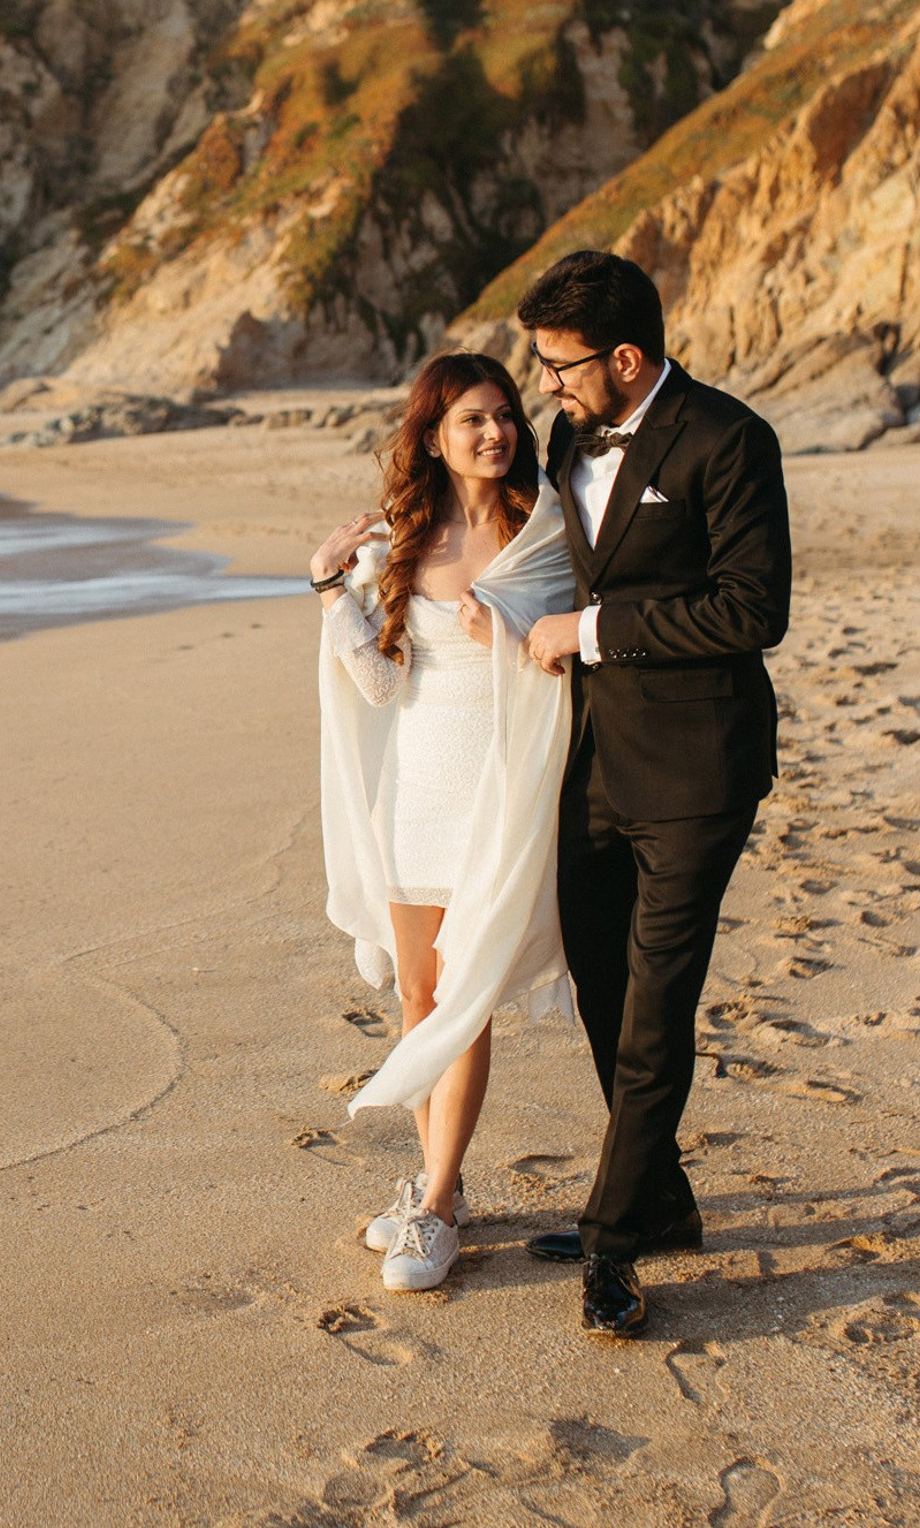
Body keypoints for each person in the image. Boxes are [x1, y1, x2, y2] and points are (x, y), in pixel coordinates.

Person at [516, 251, 792, 1338]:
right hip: (593, 763)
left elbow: (751, 611)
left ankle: (614, 1239)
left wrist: (589, 635)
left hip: (697, 770)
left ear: (625, 358)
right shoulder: (567, 435)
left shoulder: (730, 440)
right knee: (598, 981)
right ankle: (662, 1198)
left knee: (656, 1005)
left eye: (559, 363)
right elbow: (539, 555)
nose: (545, 382)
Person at [311, 350, 575, 1294]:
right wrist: (329, 589)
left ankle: (433, 1203)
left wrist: (503, 640)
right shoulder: (404, 542)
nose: (496, 432)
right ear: (433, 436)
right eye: (472, 419)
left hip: (497, 800)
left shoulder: (545, 532)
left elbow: (567, 666)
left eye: (505, 414)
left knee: (463, 1006)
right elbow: (384, 685)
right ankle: (444, 1196)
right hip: (416, 798)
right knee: (420, 1000)